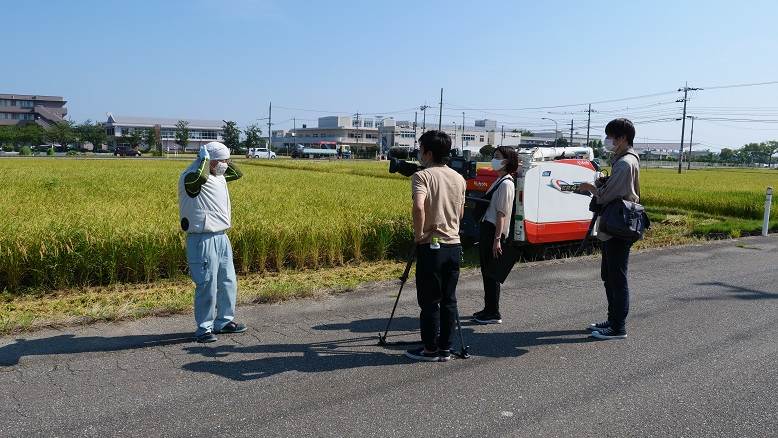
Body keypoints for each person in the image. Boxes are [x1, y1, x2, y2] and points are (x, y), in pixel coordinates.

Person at [405, 130, 467, 362]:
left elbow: (419, 207)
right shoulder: (459, 178)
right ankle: (445, 348)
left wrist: (419, 234)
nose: (419, 154)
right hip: (454, 245)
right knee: (449, 300)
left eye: (421, 150)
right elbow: (461, 212)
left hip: (432, 245)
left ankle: (429, 350)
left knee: (430, 301)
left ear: (428, 153)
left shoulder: (423, 177)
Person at [578, 118, 640, 340]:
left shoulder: (624, 163)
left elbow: (607, 196)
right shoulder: (623, 160)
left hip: (618, 226)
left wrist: (590, 188)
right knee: (610, 275)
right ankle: (612, 319)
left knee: (617, 277)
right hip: (615, 224)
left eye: (610, 137)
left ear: (622, 138)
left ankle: (617, 327)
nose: (608, 141)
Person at [178, 141, 247, 343]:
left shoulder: (218, 176)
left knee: (227, 281)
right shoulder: (192, 176)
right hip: (202, 238)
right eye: (222, 161)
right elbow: (199, 177)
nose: (226, 164)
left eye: (227, 160)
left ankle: (224, 322)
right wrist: (205, 157)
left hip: (221, 237)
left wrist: (222, 158)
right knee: (206, 284)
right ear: (208, 160)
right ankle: (204, 328)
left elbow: (237, 173)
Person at [473, 146, 518, 325]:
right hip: (489, 230)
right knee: (487, 272)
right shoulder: (499, 180)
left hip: (494, 232)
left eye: (497, 157)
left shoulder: (506, 183)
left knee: (491, 274)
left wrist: (497, 239)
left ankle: (493, 312)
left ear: (506, 162)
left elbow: (502, 213)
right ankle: (488, 308)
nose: (494, 159)